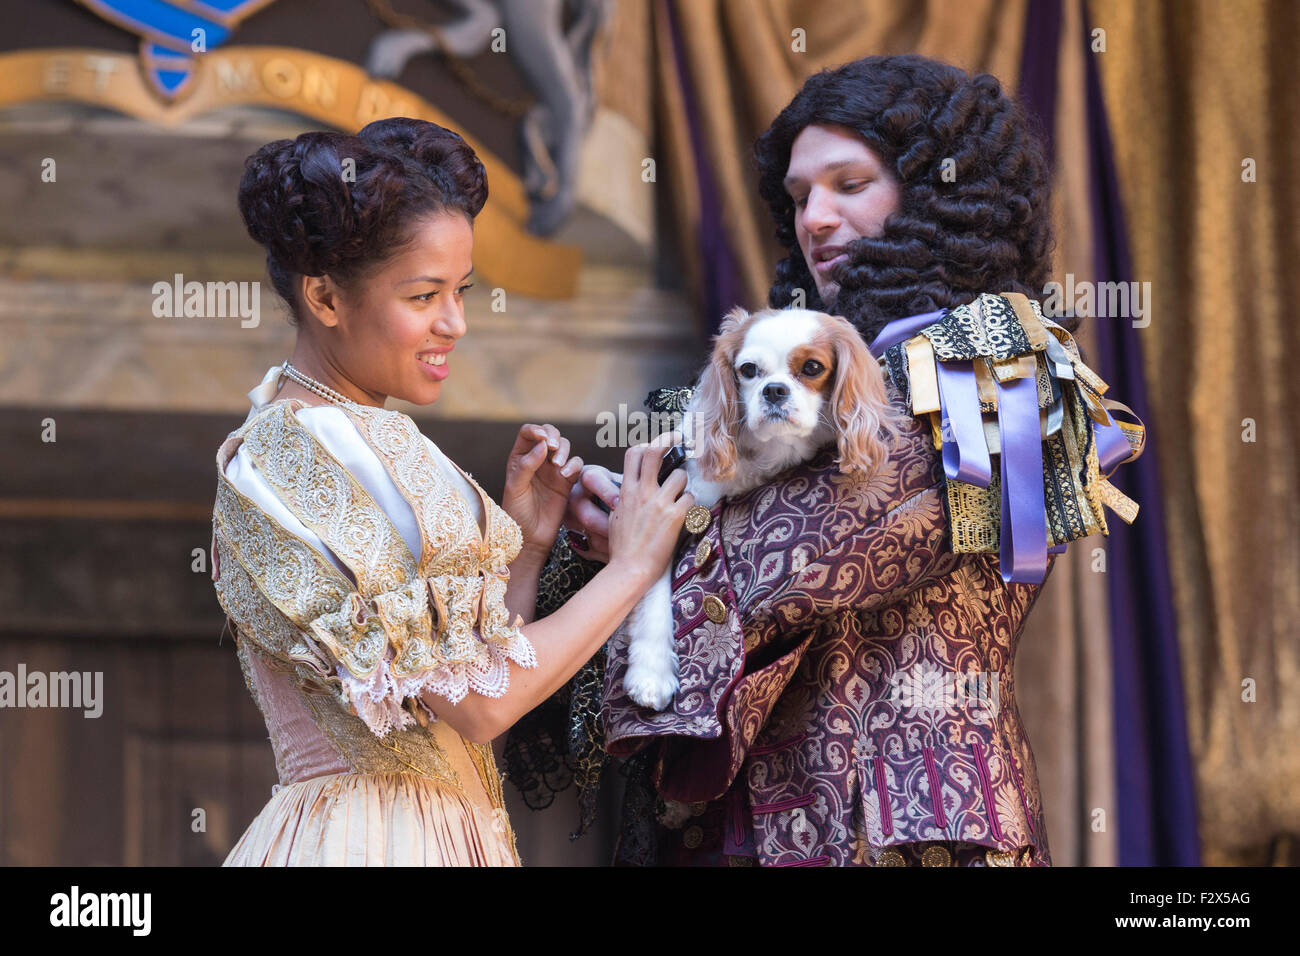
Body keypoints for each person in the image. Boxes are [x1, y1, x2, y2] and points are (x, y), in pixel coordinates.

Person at [522, 55, 1143, 866]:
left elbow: (797, 563)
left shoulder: (995, 368)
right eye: (798, 196)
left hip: (906, 828)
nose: (814, 217)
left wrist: (646, 543)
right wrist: (596, 531)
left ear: (940, 191)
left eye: (848, 185)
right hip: (726, 832)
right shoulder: (780, 384)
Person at [211, 117, 694, 866]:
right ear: (326, 298)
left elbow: (459, 707)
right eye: (425, 295)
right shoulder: (309, 446)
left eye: (461, 291)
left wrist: (528, 547)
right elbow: (478, 704)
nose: (456, 323)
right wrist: (634, 567)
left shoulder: (345, 434)